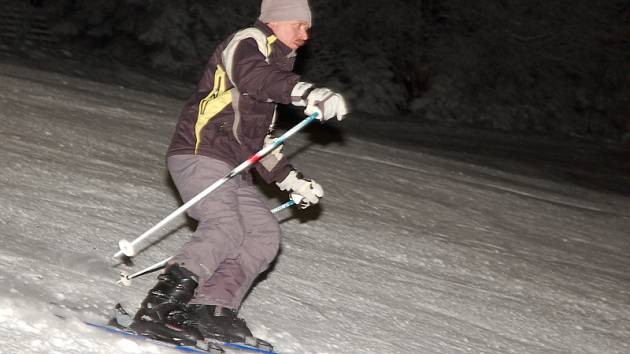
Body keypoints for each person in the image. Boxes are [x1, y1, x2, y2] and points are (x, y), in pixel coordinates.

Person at [130, 0, 348, 345]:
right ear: (276, 21)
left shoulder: (272, 74)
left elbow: (259, 142)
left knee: (262, 233)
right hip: (201, 152)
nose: (306, 34)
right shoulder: (248, 42)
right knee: (225, 225)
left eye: (308, 27)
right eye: (299, 25)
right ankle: (158, 308)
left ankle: (211, 309)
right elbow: (253, 77)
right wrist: (304, 91)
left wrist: (290, 179)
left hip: (232, 167)